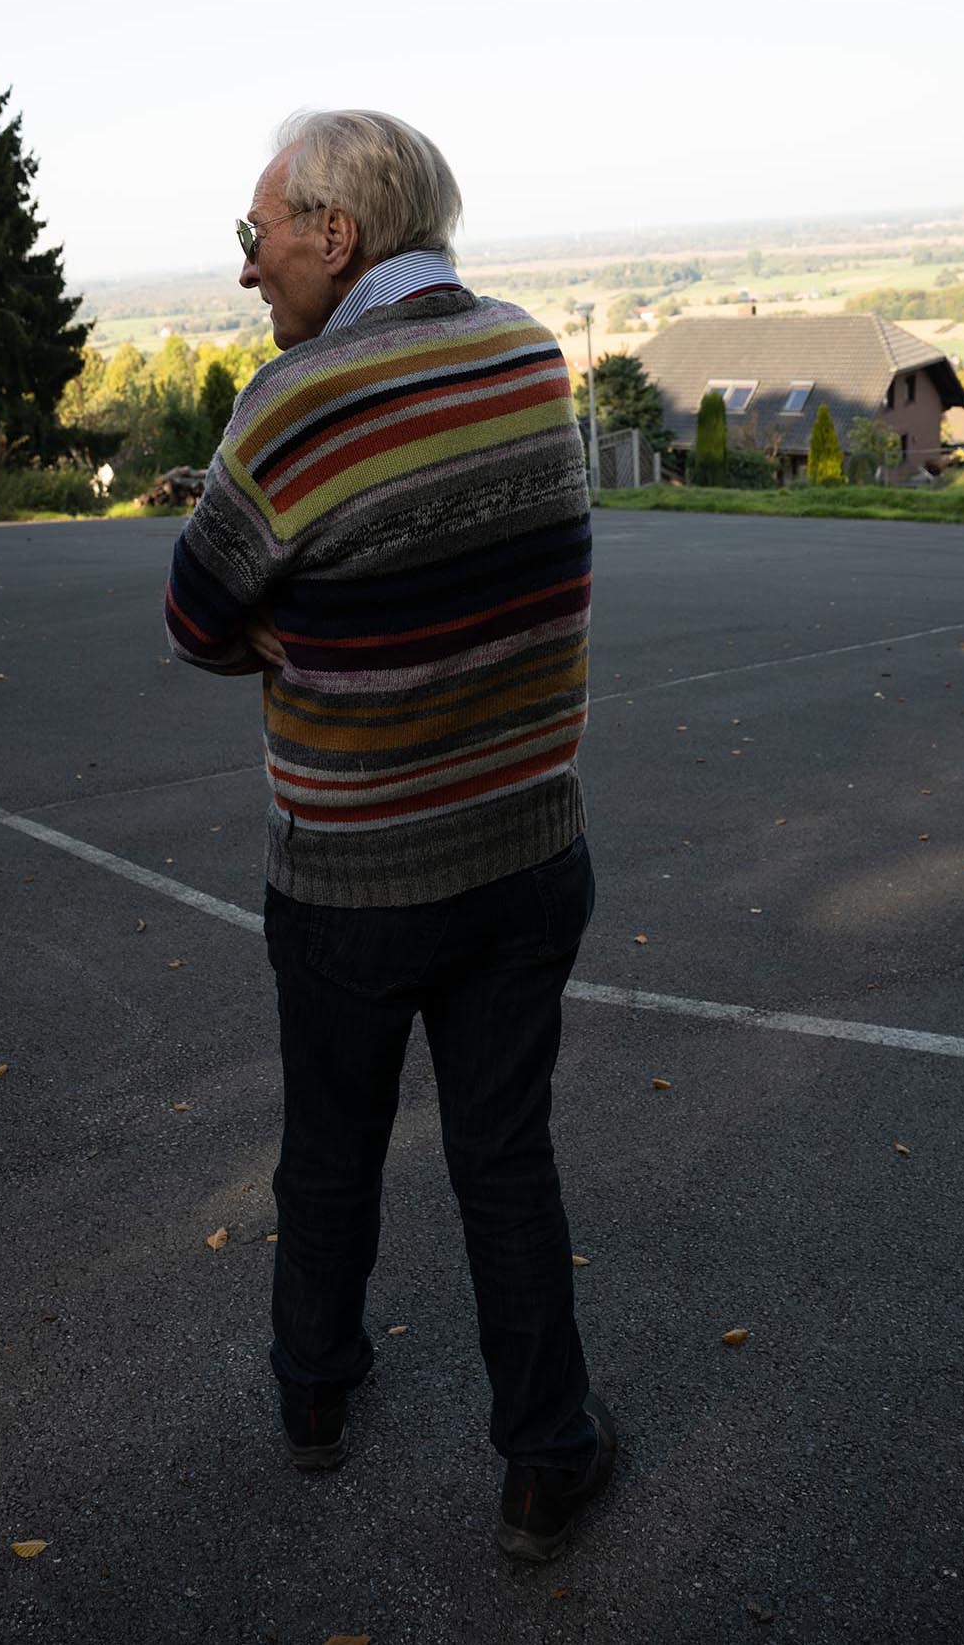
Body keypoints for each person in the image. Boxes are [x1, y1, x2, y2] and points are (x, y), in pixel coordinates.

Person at [164, 110, 613, 1563]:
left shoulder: (291, 404)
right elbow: (526, 578)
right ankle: (546, 1459)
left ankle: (312, 1400)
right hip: (530, 846)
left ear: (334, 234)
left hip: (354, 869)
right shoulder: (528, 354)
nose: (247, 271)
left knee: (329, 1151)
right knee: (506, 1156)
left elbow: (194, 618)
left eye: (258, 236)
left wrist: (299, 640)